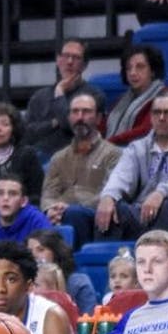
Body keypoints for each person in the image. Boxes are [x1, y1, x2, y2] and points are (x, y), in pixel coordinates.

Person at [95, 91, 168, 241]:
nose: (161, 118)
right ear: (151, 117)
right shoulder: (137, 148)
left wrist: (160, 193)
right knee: (113, 208)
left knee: (166, 206)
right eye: (157, 112)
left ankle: (163, 259)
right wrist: (109, 196)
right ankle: (111, 262)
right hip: (140, 210)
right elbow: (121, 176)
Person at [41, 93, 121, 248]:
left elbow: (111, 194)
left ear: (98, 118)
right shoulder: (58, 157)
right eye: (75, 112)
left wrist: (69, 207)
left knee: (74, 214)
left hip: (96, 216)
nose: (80, 117)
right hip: (63, 215)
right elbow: (49, 194)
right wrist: (51, 209)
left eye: (86, 112)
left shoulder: (114, 154)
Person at [24, 39, 105, 159]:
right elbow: (27, 134)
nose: (70, 61)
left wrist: (59, 94)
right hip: (39, 159)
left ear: (85, 65)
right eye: (66, 56)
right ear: (57, 60)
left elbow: (72, 126)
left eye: (76, 57)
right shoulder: (39, 97)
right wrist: (53, 123)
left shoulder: (94, 95)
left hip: (77, 159)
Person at [104, 44, 168, 146]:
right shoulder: (122, 99)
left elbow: (146, 130)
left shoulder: (165, 97)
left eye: (140, 67)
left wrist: (108, 144)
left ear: (153, 71)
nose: (132, 73)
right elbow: (105, 125)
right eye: (129, 68)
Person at [27, 227, 98, 314]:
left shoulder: (78, 283)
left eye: (41, 250)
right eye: (29, 251)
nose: (33, 255)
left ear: (56, 252)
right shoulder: (22, 283)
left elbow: (88, 321)